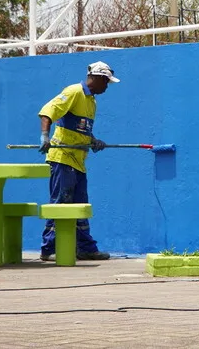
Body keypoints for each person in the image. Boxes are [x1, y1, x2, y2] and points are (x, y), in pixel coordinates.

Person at [37, 61, 120, 261]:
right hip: (63, 158)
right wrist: (45, 136)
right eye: (106, 82)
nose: (107, 87)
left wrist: (93, 140)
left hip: (78, 160)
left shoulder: (92, 101)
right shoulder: (74, 92)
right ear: (98, 78)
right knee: (61, 202)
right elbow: (48, 111)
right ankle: (49, 248)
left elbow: (81, 128)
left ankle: (85, 248)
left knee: (80, 204)